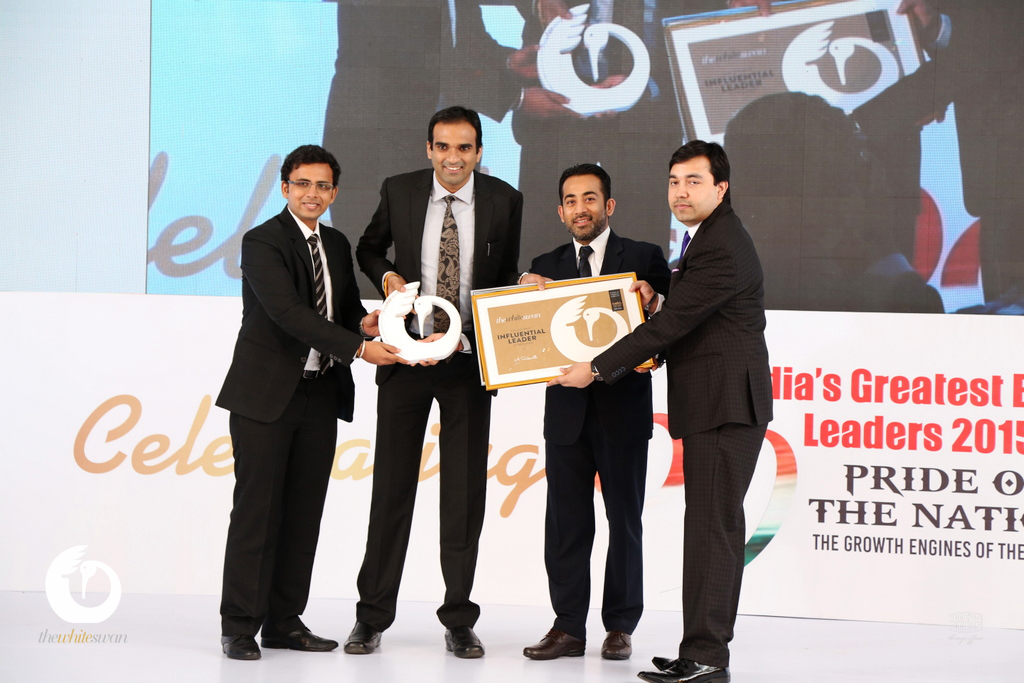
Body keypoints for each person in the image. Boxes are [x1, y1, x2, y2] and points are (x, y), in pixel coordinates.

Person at [550, 141, 773, 683]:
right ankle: (700, 650)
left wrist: (596, 367)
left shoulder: (721, 244)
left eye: (694, 181)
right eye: (674, 181)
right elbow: (686, 315)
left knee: (713, 530)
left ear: (721, 188)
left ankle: (707, 656)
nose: (681, 192)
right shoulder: (708, 238)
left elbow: (672, 327)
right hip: (716, 404)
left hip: (724, 405)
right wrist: (653, 299)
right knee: (709, 527)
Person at [216, 145, 404, 661]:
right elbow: (289, 313)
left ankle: (283, 622)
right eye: (302, 184)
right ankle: (239, 625)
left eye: (322, 186)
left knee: (303, 515)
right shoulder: (262, 241)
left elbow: (341, 312)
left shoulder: (336, 243)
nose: (312, 194)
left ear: (334, 192)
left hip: (320, 394)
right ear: (285, 188)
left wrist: (366, 324)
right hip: (264, 397)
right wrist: (359, 348)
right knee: (257, 513)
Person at [348, 106, 523, 658]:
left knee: (465, 495)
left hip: (468, 363)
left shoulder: (504, 199)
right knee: (391, 488)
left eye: (464, 148)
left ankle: (459, 619)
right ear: (429, 149)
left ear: (478, 152)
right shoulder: (399, 190)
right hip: (405, 357)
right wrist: (387, 276)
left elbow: (504, 273)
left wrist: (522, 287)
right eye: (443, 147)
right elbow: (368, 248)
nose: (453, 158)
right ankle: (371, 617)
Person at [519, 164, 670, 661]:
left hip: (623, 412)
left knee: (624, 521)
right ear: (560, 212)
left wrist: (654, 299)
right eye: (571, 200)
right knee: (566, 524)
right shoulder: (544, 265)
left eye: (590, 198)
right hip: (566, 415)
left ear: (609, 206)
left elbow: (666, 330)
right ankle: (567, 627)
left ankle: (620, 626)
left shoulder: (644, 258)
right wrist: (521, 295)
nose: (580, 208)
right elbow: (526, 336)